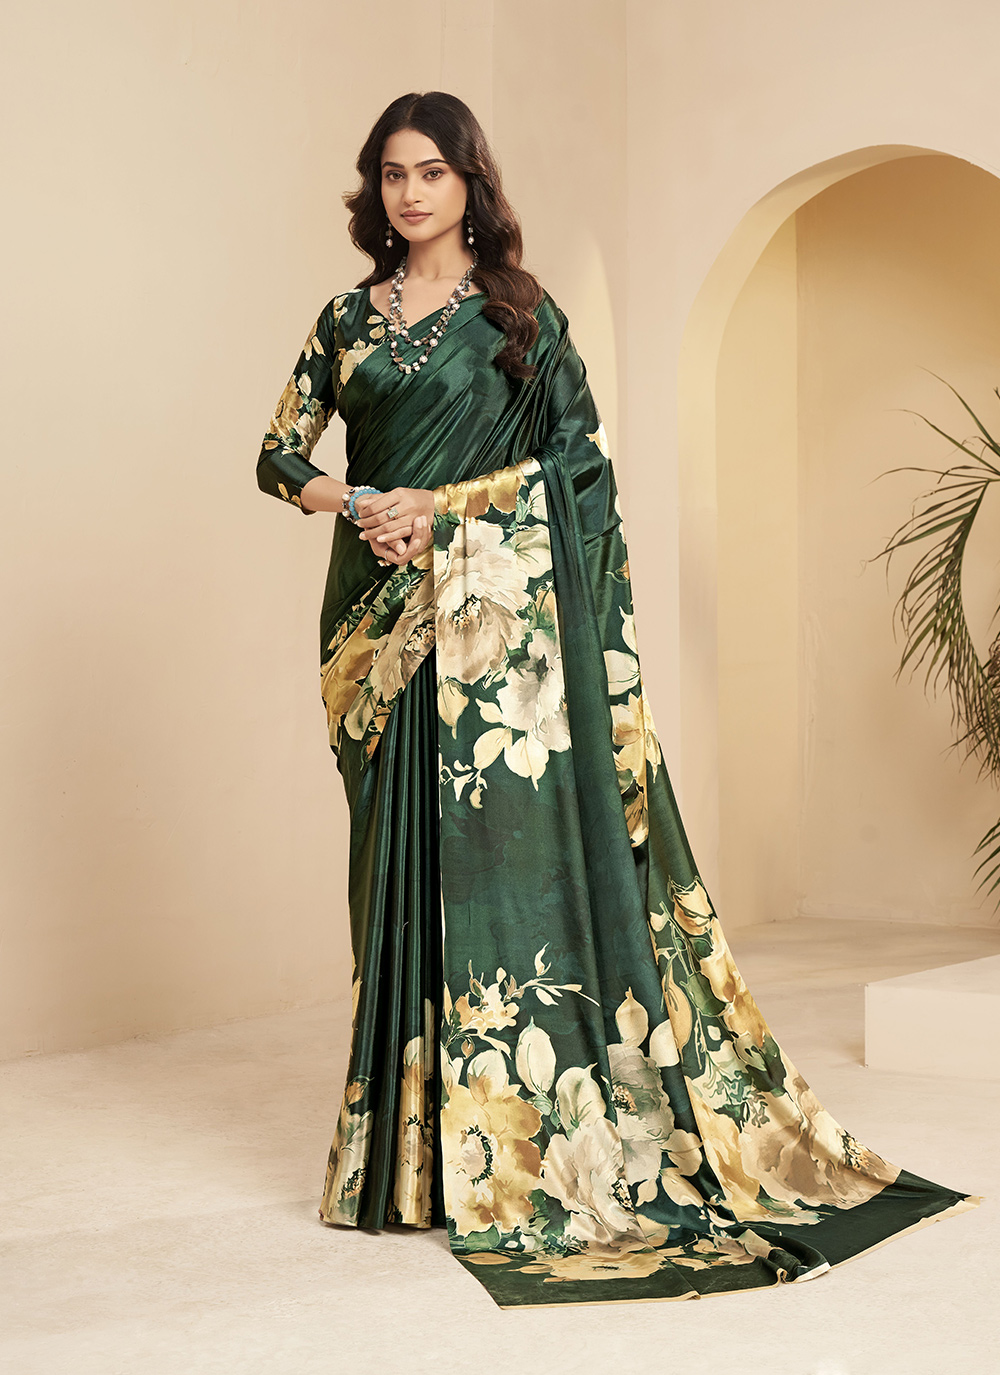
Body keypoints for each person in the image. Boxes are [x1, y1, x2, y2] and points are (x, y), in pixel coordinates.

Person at [255, 91, 978, 1309]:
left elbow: (578, 466)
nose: (410, 193)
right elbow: (278, 455)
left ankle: (517, 1145)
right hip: (376, 629)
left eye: (432, 172)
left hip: (492, 632)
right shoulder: (344, 318)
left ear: (470, 183)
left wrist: (447, 511)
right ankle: (407, 1163)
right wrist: (360, 501)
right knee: (393, 875)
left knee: (492, 869)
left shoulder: (521, 316)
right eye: (392, 173)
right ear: (373, 188)